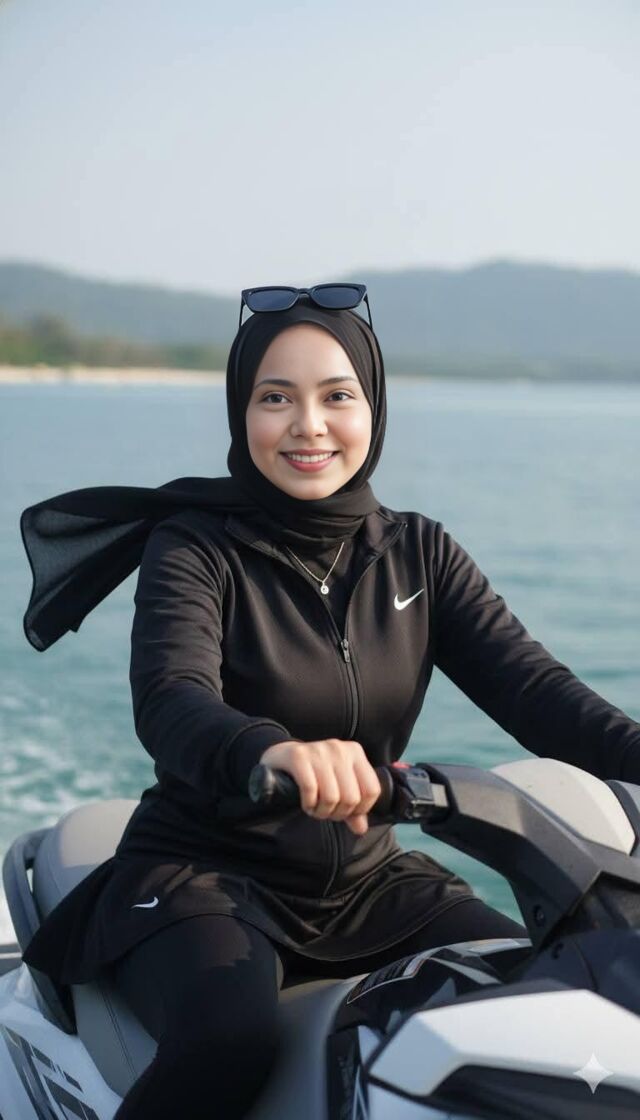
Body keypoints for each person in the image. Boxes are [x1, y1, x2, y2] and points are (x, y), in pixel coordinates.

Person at [19, 285, 640, 1119]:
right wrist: (270, 750)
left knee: (544, 1000)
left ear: (373, 408)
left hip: (369, 880)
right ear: (242, 413)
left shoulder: (420, 553)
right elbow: (172, 698)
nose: (308, 425)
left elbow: (541, 695)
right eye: (276, 398)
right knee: (229, 1042)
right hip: (205, 873)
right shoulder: (196, 547)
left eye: (337, 396)